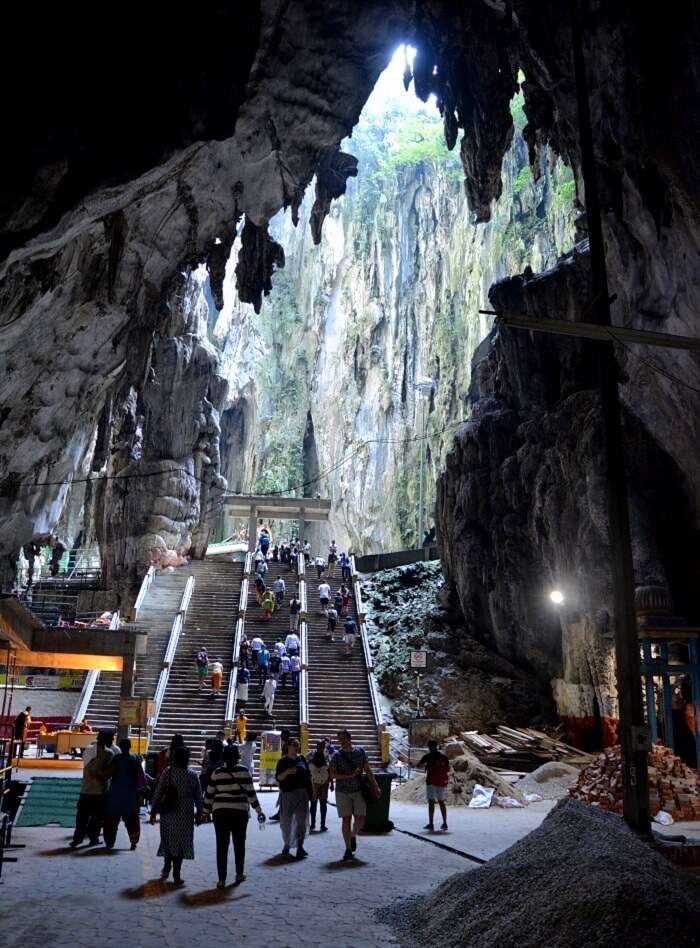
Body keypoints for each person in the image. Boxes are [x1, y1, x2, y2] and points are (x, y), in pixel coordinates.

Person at [204, 743, 266, 888]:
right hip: (240, 813)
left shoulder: (217, 773)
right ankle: (239, 874)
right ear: (237, 757)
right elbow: (251, 794)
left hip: (220, 813)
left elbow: (209, 795)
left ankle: (221, 880)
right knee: (239, 844)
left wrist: (204, 812)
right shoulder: (244, 772)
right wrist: (259, 811)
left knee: (221, 846)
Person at [150, 745, 202, 885]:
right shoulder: (192, 775)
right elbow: (198, 798)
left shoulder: (168, 772)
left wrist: (153, 811)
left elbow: (158, 792)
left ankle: (167, 867)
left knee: (168, 840)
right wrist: (200, 814)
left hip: (168, 813)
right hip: (186, 815)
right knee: (180, 843)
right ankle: (177, 874)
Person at [330, 729, 380, 862]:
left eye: (343, 738)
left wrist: (375, 785)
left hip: (358, 789)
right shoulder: (336, 755)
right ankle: (347, 849)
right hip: (342, 791)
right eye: (339, 739)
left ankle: (353, 835)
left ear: (349, 738)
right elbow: (332, 775)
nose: (341, 741)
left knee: (360, 818)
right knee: (346, 819)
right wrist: (349, 776)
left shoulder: (360, 752)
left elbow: (367, 770)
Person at [71, 729, 120, 847]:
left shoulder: (88, 750)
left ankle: (77, 839)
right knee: (96, 818)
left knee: (81, 816)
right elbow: (106, 775)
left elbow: (87, 767)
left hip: (85, 789)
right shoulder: (110, 753)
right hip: (99, 791)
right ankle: (93, 839)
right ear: (107, 739)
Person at [275, 738, 312, 859]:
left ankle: (300, 846)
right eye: (294, 745)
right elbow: (278, 778)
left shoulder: (302, 759)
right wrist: (287, 772)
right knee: (287, 821)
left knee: (302, 821)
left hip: (302, 794)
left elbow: (308, 777)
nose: (296, 747)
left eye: (297, 745)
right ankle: (287, 844)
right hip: (288, 794)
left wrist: (311, 793)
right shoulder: (282, 761)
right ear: (288, 747)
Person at [104, 739, 143, 850]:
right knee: (132, 820)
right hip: (131, 794)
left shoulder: (117, 759)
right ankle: (133, 841)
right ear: (130, 746)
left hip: (116, 793)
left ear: (120, 747)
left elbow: (108, 773)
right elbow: (141, 776)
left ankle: (110, 843)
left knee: (112, 819)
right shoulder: (136, 758)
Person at [417, 739, 450, 831]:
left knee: (431, 802)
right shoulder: (443, 756)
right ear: (437, 746)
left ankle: (431, 824)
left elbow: (419, 765)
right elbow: (448, 769)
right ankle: (444, 823)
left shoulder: (427, 756)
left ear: (429, 747)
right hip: (441, 782)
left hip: (431, 782)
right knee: (441, 802)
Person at [308, 740, 332, 832]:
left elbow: (329, 770)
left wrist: (332, 783)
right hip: (314, 782)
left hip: (324, 782)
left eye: (322, 746)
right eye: (319, 746)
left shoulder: (326, 756)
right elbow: (308, 767)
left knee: (323, 804)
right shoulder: (311, 754)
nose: (321, 748)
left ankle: (323, 824)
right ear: (316, 746)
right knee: (313, 804)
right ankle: (313, 824)